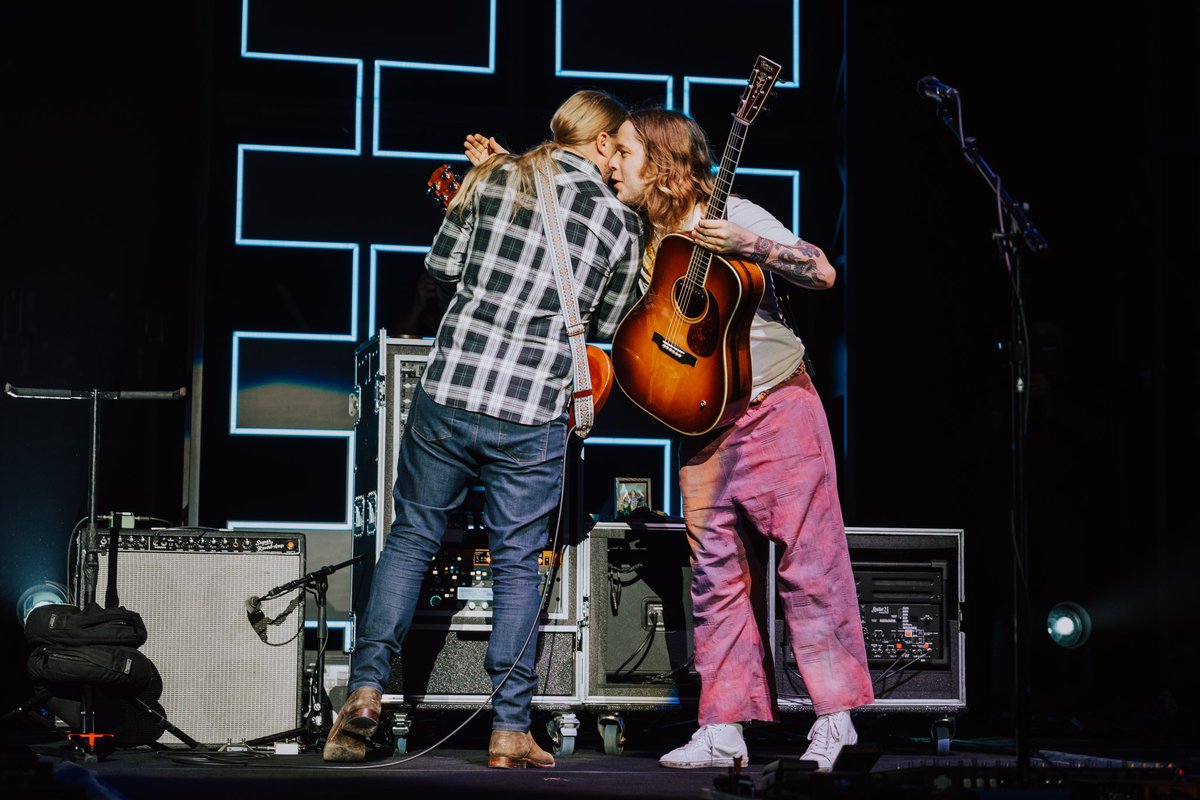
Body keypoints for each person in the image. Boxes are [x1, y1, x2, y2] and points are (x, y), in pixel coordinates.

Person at [323, 89, 643, 767]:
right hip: (531, 413)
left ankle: (367, 690)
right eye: (618, 143)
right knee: (519, 567)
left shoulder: (495, 177)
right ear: (604, 141)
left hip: (450, 391)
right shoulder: (620, 225)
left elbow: (439, 270)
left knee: (409, 541)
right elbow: (608, 326)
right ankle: (508, 728)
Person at [607, 108, 876, 771]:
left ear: (663, 163)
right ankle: (723, 726)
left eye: (623, 152)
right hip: (705, 427)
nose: (610, 163)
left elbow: (821, 271)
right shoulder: (639, 240)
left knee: (809, 571)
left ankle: (835, 721)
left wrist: (749, 246)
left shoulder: (741, 214)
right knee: (715, 583)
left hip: (777, 406)